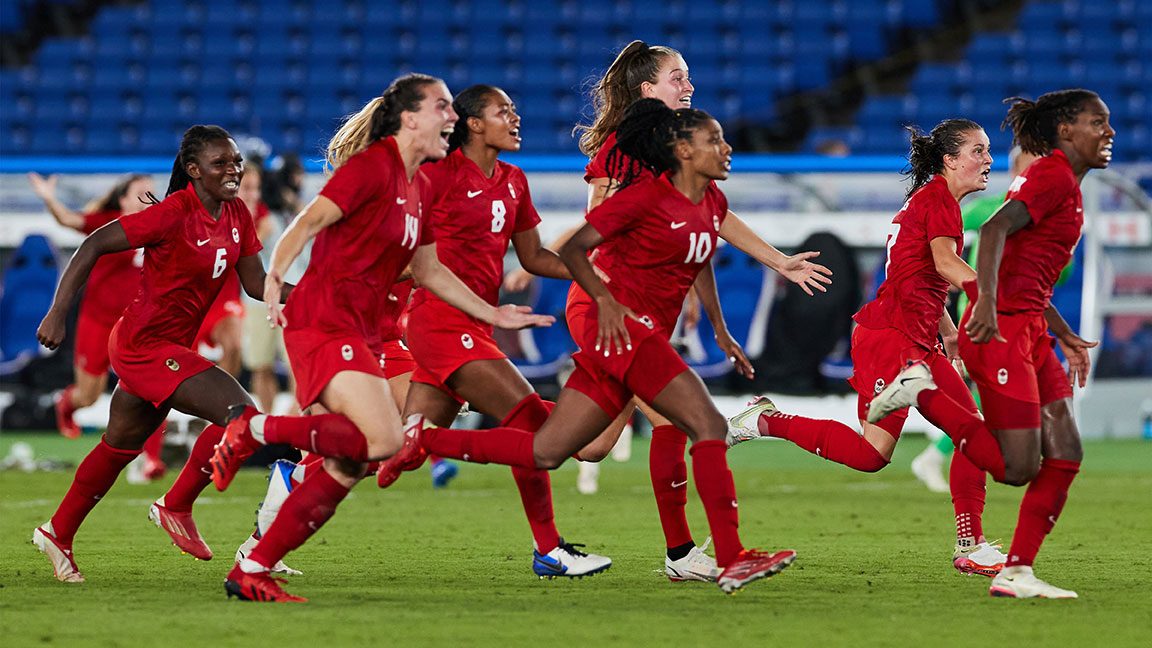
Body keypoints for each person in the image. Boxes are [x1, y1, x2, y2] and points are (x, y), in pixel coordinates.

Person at [381, 99, 803, 595]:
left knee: (551, 450)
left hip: (633, 336)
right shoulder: (642, 198)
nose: (727, 148)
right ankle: (728, 558)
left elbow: (701, 254)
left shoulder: (707, 202)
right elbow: (575, 247)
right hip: (625, 333)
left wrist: (720, 329)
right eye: (715, 140)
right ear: (683, 151)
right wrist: (603, 299)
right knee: (705, 423)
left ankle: (424, 440)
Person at [208, 74, 552, 603]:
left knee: (358, 458)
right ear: (411, 118)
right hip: (325, 320)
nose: (452, 118)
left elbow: (429, 270)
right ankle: (255, 430)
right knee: (387, 440)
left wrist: (493, 315)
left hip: (364, 330)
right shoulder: (374, 168)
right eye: (442, 107)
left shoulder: (420, 185)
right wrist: (274, 280)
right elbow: (306, 222)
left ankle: (253, 564)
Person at [569, 40, 830, 581]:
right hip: (615, 309)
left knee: (592, 445)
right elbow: (597, 229)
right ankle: (689, 555)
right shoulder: (624, 148)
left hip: (648, 309)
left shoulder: (681, 153)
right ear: (648, 89)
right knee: (685, 420)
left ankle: (471, 410)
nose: (688, 85)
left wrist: (762, 273)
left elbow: (707, 226)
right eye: (676, 77)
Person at [728, 118, 1017, 577]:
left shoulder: (929, 201)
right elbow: (944, 263)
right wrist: (990, 293)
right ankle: (765, 421)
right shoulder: (938, 200)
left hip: (915, 338)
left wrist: (947, 331)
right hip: (893, 341)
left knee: (967, 433)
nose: (988, 160)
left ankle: (971, 544)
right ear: (949, 160)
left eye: (988, 151)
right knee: (877, 454)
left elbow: (918, 275)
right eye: (978, 151)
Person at [31, 125, 277, 583]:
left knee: (119, 445)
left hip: (169, 348)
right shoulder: (172, 213)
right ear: (193, 170)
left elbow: (258, 284)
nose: (233, 170)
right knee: (242, 415)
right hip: (142, 346)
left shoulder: (238, 213)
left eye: (237, 162)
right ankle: (175, 505)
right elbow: (93, 244)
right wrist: (57, 313)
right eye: (221, 163)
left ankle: (56, 532)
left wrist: (322, 297)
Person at [390, 83, 609, 578]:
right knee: (532, 424)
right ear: (471, 123)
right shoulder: (435, 177)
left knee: (396, 449)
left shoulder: (513, 179)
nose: (515, 118)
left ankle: (294, 475)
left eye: (514, 109)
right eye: (502, 111)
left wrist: (597, 274)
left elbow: (532, 258)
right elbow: (404, 256)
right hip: (439, 322)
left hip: (476, 326)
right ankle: (550, 550)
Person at [955, 89, 1109, 598]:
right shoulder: (1054, 175)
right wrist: (986, 304)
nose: (1108, 132)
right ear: (1066, 131)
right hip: (1002, 330)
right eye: (1097, 122)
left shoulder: (1065, 181)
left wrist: (1064, 334)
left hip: (1031, 330)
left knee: (1065, 450)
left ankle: (1017, 572)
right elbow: (996, 230)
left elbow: (1029, 269)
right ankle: (924, 396)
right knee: (1019, 469)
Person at [909, 144, 1040, 492]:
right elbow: (933, 235)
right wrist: (945, 268)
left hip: (1020, 313)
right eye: (1028, 168)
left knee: (991, 390)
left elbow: (1064, 273)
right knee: (990, 388)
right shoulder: (987, 208)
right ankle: (938, 447)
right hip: (982, 310)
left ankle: (938, 451)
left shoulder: (1045, 214)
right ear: (1014, 172)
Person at [28, 172, 171, 479]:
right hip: (97, 320)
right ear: (122, 199)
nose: (148, 198)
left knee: (152, 388)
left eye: (151, 193)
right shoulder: (109, 222)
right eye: (140, 193)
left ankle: (152, 460)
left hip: (135, 325)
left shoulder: (160, 225)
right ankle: (66, 403)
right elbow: (68, 220)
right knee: (89, 395)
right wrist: (48, 198)